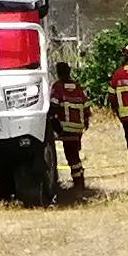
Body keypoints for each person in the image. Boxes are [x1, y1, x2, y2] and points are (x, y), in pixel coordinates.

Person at [48, 63, 91, 193]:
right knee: (74, 154)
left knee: (71, 156)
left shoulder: (58, 87)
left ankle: (79, 183)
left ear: (58, 73)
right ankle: (79, 180)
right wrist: (86, 122)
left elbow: (54, 105)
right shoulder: (77, 87)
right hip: (78, 128)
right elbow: (87, 105)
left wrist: (54, 123)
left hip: (66, 128)